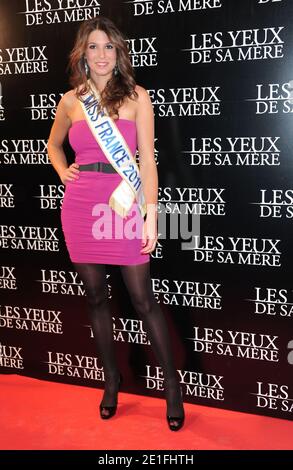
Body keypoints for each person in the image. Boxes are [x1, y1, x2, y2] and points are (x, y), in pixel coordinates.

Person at [47, 16, 185, 431]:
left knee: (143, 299)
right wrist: (61, 170)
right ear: (82, 54)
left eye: (109, 46)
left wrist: (151, 214)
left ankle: (173, 386)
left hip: (122, 205)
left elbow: (147, 159)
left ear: (118, 53)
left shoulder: (138, 97)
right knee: (94, 297)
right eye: (93, 46)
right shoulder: (72, 100)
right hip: (80, 204)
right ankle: (111, 380)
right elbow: (54, 144)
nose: (102, 54)